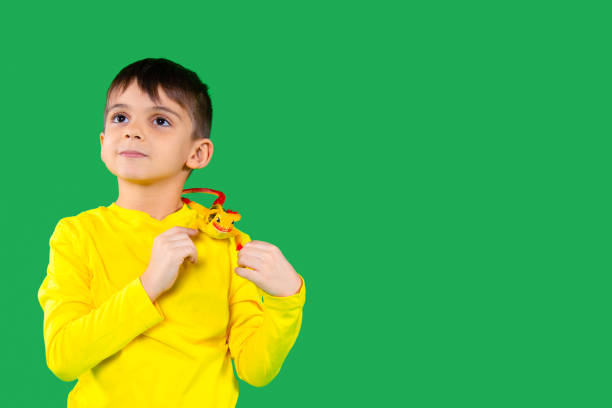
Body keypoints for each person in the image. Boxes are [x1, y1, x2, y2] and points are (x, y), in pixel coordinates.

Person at [37, 57, 306, 407]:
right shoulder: (76, 234)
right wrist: (149, 285)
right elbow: (63, 357)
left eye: (160, 120)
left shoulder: (226, 242)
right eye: (120, 117)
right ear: (103, 141)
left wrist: (287, 301)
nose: (132, 130)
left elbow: (256, 369)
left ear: (197, 153)